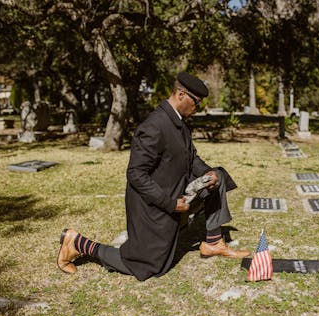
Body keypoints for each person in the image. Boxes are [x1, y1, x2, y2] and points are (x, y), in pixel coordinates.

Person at [57, 71, 250, 281]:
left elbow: (191, 158)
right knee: (147, 266)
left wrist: (207, 173)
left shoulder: (180, 123)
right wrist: (170, 204)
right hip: (152, 206)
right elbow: (135, 174)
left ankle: (213, 242)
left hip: (177, 194)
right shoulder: (154, 126)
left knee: (218, 177)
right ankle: (76, 242)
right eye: (196, 102)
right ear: (181, 95)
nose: (198, 108)